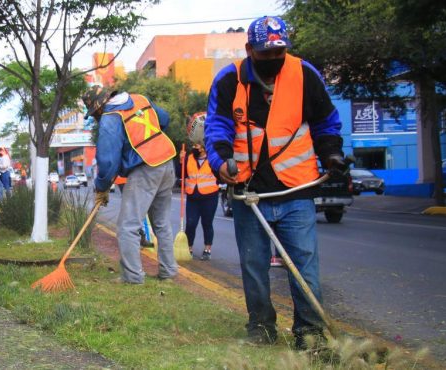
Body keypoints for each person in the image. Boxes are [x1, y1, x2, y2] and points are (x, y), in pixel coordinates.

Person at [204, 16, 347, 349]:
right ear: (249, 49)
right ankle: (261, 329)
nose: (272, 60)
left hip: (295, 190)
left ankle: (310, 333)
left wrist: (333, 155)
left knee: (304, 266)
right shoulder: (229, 81)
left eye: (278, 52)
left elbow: (327, 123)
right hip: (249, 192)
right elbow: (217, 128)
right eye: (265, 53)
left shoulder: (304, 75)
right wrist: (221, 161)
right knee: (254, 267)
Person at [85, 85, 178, 284]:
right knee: (161, 223)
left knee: (128, 226)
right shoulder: (140, 99)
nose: (95, 117)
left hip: (145, 169)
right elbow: (164, 119)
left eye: (94, 113)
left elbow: (108, 161)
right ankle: (168, 272)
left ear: (99, 107)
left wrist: (101, 187)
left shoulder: (110, 118)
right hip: (167, 161)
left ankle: (133, 277)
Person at [180, 143, 219, 260]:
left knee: (207, 223)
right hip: (192, 197)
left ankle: (207, 249)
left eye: (196, 145)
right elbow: (180, 174)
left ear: (203, 147)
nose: (193, 147)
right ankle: (189, 249)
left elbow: (219, 174)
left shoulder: (213, 158)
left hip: (210, 196)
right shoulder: (189, 158)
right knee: (191, 224)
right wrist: (181, 162)